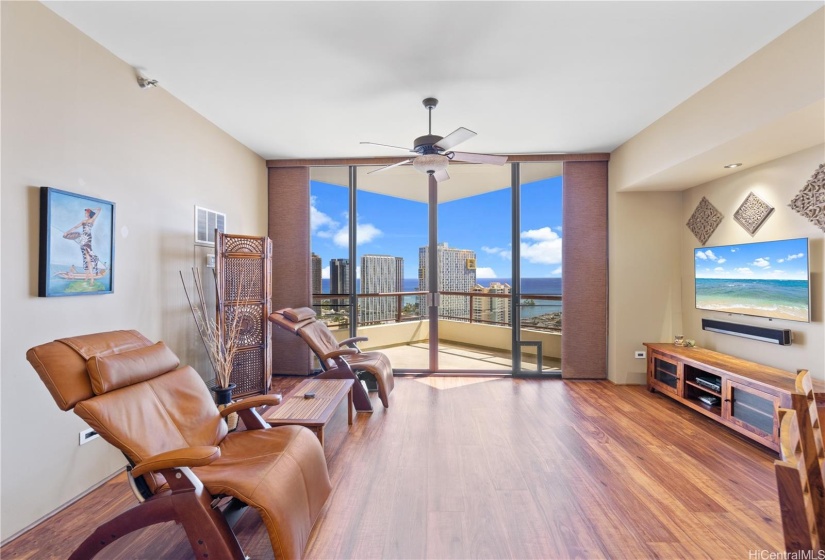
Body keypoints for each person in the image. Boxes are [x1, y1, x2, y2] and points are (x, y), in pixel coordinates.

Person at [64, 207, 101, 284]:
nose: (85, 214)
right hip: (82, 239)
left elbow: (98, 211)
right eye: (85, 213)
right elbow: (75, 227)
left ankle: (91, 279)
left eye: (86, 213)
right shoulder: (83, 221)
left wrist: (93, 209)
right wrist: (67, 232)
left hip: (88, 238)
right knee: (85, 258)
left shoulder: (92, 220)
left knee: (88, 259)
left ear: (89, 213)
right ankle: (87, 276)